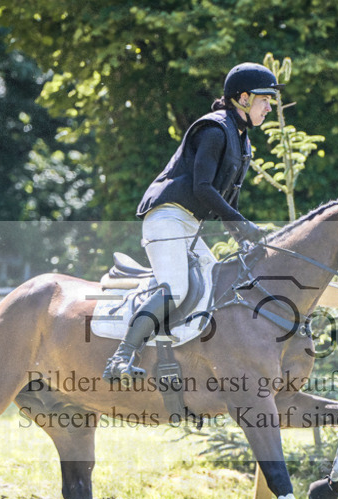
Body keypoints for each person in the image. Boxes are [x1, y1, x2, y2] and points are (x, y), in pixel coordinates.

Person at [103, 62, 281, 381]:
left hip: (190, 226)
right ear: (242, 98)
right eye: (265, 99)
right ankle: (121, 357)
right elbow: (203, 187)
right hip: (167, 216)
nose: (270, 107)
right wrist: (244, 224)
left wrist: (245, 239)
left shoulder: (242, 141)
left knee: (215, 288)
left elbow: (229, 199)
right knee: (176, 288)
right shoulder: (214, 130)